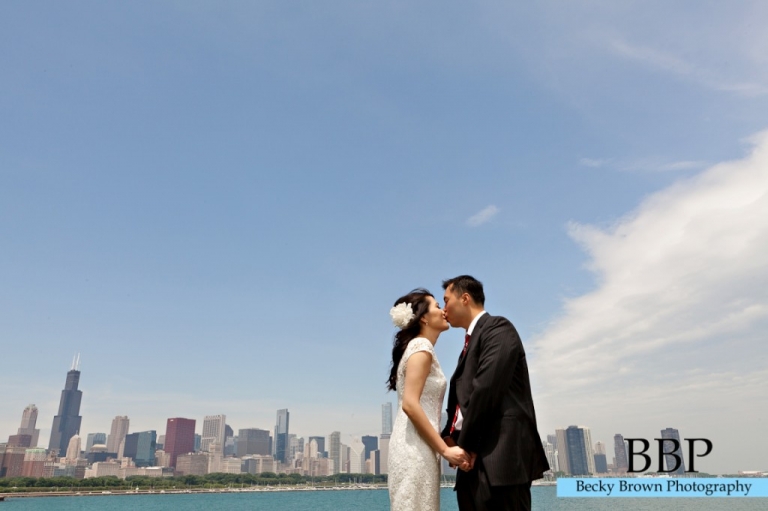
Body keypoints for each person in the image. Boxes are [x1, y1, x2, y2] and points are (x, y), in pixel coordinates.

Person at [440, 275, 549, 511]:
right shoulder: (468, 346)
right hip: (471, 465)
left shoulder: (499, 329)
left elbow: (486, 389)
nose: (443, 308)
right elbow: (462, 401)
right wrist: (449, 439)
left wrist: (467, 447)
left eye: (446, 300)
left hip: (499, 463)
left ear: (465, 298)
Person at [387, 288, 470, 511]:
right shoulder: (421, 347)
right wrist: (445, 450)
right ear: (423, 317)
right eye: (436, 306)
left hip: (419, 446)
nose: (443, 311)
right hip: (414, 449)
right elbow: (410, 404)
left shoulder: (421, 348)